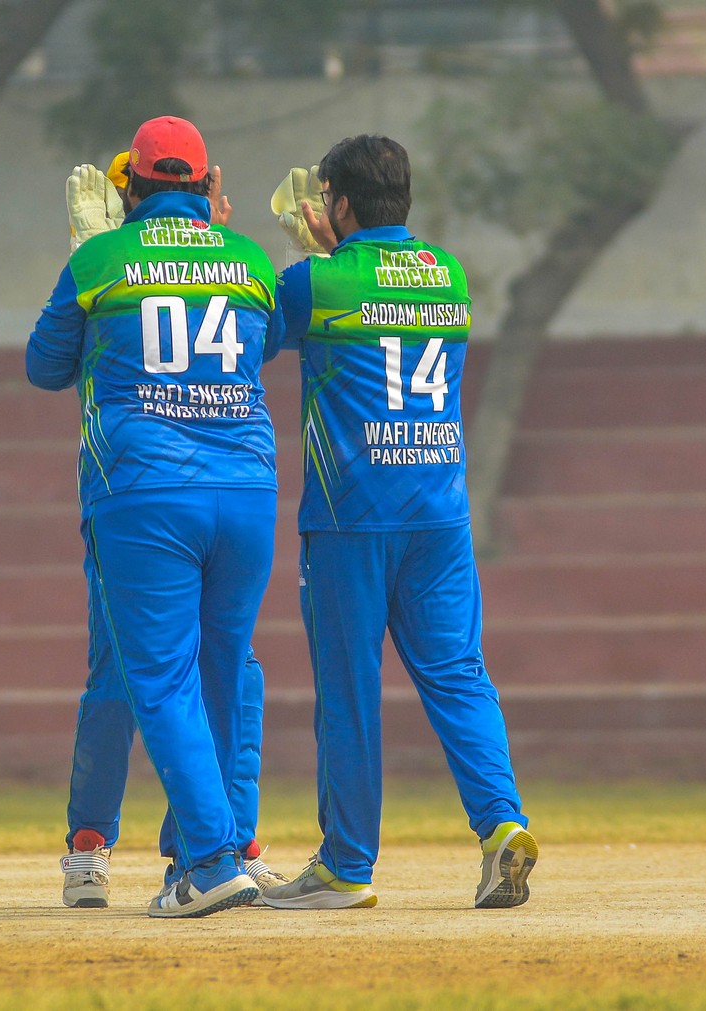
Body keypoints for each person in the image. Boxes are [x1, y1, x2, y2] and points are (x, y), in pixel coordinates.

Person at [256, 135, 538, 910]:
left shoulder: (316, 281)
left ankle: (347, 865)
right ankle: (502, 825)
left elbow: (258, 340)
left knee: (349, 691)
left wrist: (305, 256)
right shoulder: (449, 273)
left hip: (351, 516)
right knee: (459, 673)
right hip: (440, 512)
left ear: (341, 203)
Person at [27, 116, 283, 918]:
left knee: (153, 677)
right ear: (207, 186)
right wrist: (214, 244)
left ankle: (204, 859)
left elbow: (44, 367)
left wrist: (88, 258)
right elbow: (264, 345)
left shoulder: (100, 260)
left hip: (144, 491)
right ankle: (216, 848)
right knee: (226, 670)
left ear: (131, 187)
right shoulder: (250, 260)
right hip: (247, 489)